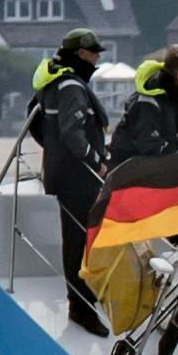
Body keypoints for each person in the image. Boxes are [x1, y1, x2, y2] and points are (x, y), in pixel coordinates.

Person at [28, 29, 111, 333]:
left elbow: (34, 119)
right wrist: (97, 163)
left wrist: (54, 154)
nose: (98, 58)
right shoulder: (72, 86)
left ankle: (86, 296)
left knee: (79, 237)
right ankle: (80, 306)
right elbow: (73, 134)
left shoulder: (52, 81)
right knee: (78, 240)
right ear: (80, 55)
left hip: (61, 173)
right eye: (94, 53)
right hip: (77, 178)